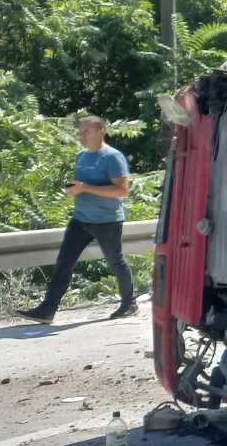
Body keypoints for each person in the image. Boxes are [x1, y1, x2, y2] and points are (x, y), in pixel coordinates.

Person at [17, 116, 138, 323]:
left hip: (107, 221)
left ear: (101, 130)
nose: (81, 136)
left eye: (86, 132)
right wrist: (74, 190)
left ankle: (129, 303)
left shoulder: (113, 157)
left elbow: (122, 190)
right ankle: (48, 310)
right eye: (80, 132)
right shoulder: (81, 156)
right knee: (64, 262)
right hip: (80, 219)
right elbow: (82, 185)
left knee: (115, 261)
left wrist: (85, 188)